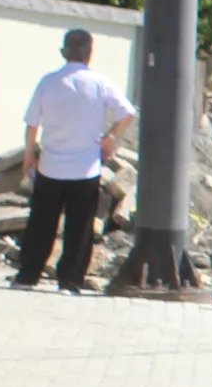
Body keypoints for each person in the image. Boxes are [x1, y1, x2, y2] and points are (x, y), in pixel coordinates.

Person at [15, 27, 135, 294]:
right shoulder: (100, 83)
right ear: (90, 53)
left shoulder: (48, 82)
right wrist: (110, 138)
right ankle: (70, 281)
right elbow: (126, 112)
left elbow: (32, 124)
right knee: (79, 228)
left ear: (63, 52)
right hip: (86, 168)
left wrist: (29, 154)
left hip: (51, 166)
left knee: (41, 224)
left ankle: (27, 276)